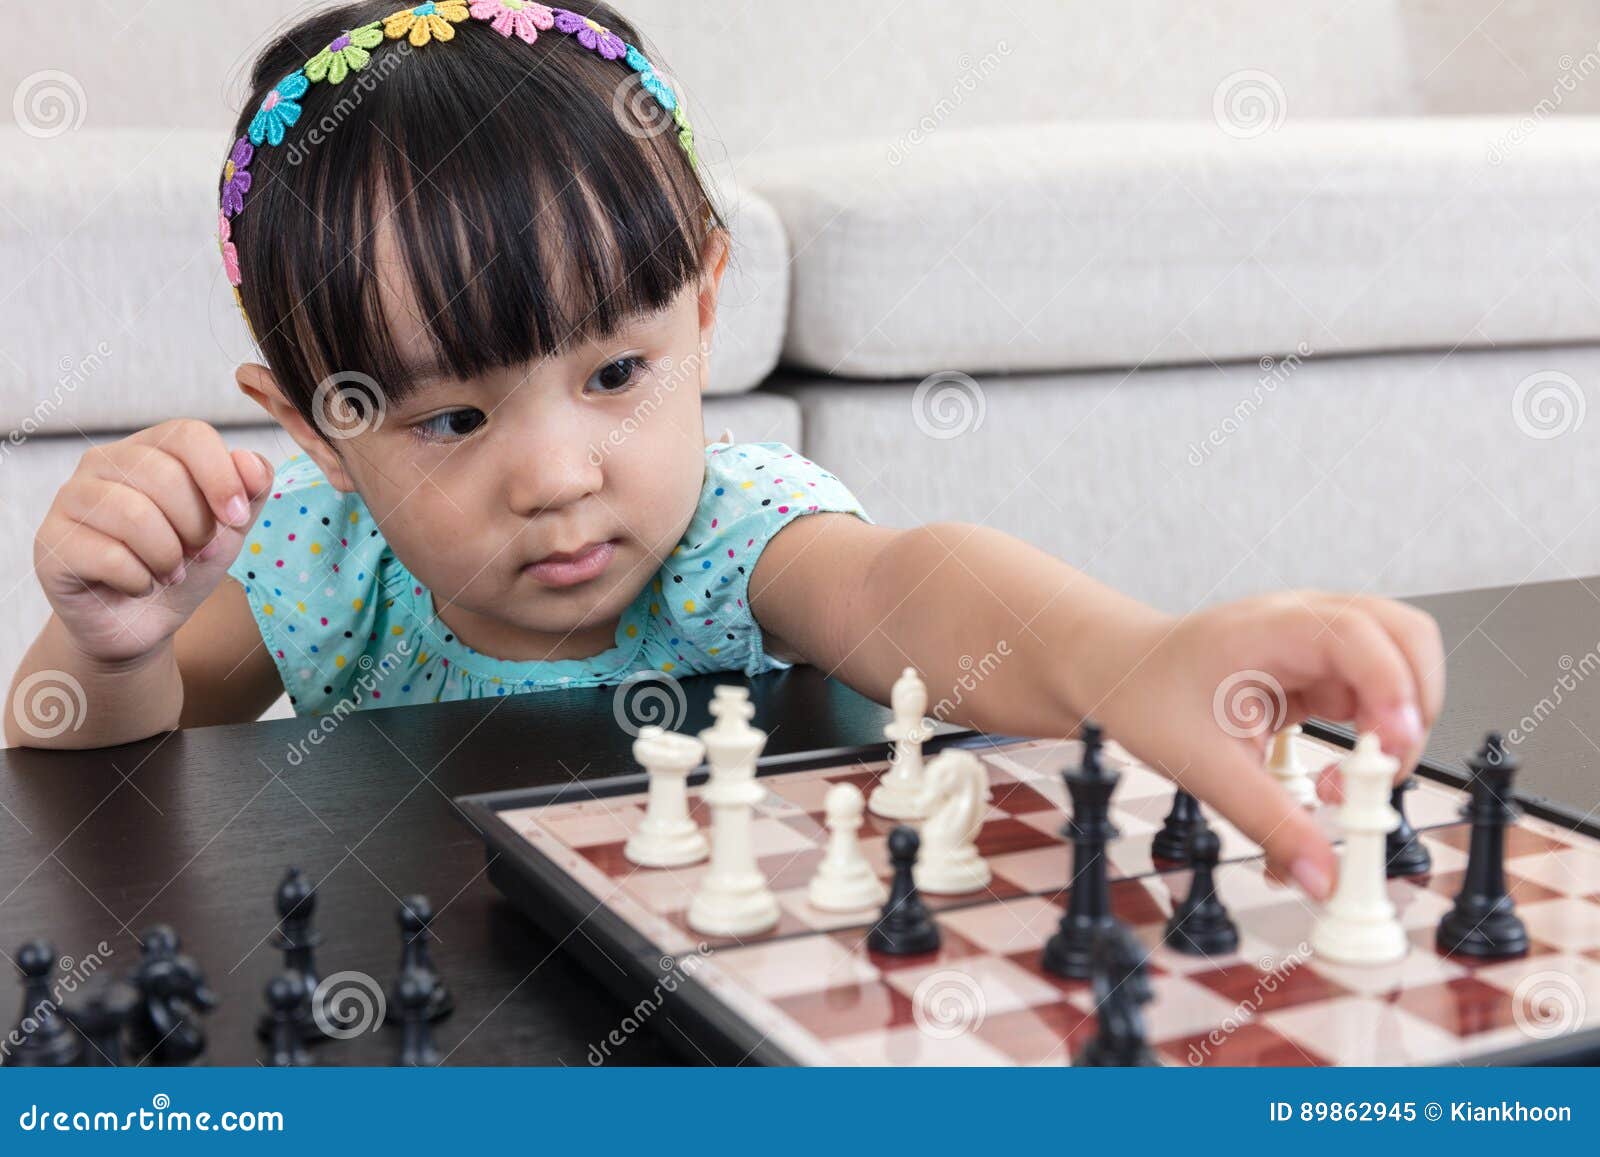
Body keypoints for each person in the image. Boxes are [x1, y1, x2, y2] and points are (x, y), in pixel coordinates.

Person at [5, 1, 1444, 902]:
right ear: (319, 426)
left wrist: (1129, 659)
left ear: (704, 302)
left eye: (617, 371)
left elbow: (912, 588)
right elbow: (88, 764)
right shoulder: (324, 567)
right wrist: (109, 638)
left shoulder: (727, 534)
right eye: (453, 417)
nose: (561, 472)